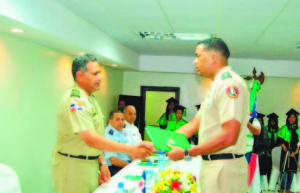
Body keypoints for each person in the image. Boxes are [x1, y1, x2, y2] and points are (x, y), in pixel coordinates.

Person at [51, 54, 154, 193]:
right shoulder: (75, 101)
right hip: (73, 167)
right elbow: (91, 139)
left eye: (99, 72)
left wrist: (102, 163)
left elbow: (97, 136)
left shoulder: (90, 100)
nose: (100, 77)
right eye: (95, 73)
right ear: (80, 76)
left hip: (90, 164)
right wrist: (132, 149)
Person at [167, 38, 249, 193]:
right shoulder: (215, 86)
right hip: (213, 165)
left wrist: (186, 152)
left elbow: (229, 136)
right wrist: (163, 143)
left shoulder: (229, 84)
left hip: (225, 168)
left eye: (198, 56)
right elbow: (194, 125)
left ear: (212, 57)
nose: (194, 61)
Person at [277, 108, 300, 193]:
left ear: (296, 119)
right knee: (285, 171)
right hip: (285, 151)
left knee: (291, 171)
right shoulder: (284, 128)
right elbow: (279, 139)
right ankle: (282, 188)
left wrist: (296, 152)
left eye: (293, 117)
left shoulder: (299, 129)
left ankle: (288, 189)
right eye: (290, 117)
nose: (291, 118)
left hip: (294, 152)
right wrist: (283, 146)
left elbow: (299, 143)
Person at [104, 110, 133, 176]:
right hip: (115, 167)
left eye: (122, 119)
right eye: (118, 119)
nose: (121, 122)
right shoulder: (109, 134)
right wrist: (131, 166)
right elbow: (113, 160)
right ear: (110, 121)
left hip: (126, 164)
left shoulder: (122, 130)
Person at [264, 112, 280, 182]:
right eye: (271, 121)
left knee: (276, 167)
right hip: (268, 151)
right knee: (268, 167)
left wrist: (275, 149)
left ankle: (275, 182)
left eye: (274, 121)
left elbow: (280, 141)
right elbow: (264, 140)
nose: (272, 122)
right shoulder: (265, 129)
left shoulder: (279, 130)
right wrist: (268, 148)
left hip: (276, 152)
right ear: (269, 121)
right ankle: (268, 182)